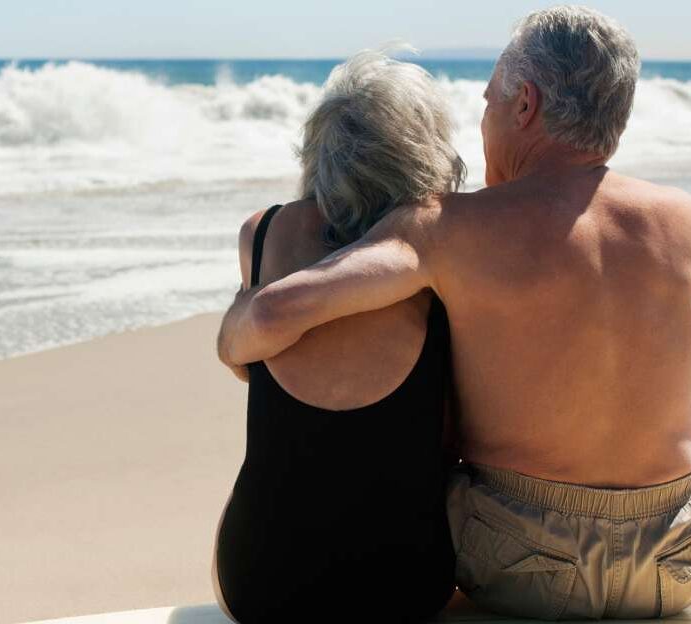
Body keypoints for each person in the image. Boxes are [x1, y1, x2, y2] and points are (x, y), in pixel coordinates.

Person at [218, 6, 691, 620]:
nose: (485, 119)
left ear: (525, 105)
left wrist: (236, 336)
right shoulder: (685, 221)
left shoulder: (451, 227)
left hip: (524, 564)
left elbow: (283, 309)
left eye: (489, 101)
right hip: (679, 556)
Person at [210, 48, 465, 623]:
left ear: (318, 148)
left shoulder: (263, 232)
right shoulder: (443, 251)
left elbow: (242, 364)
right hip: (408, 588)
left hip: (260, 585)